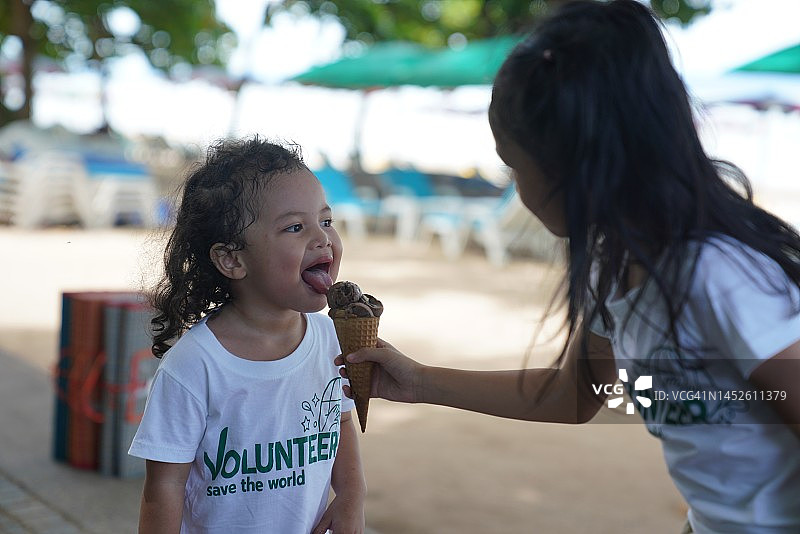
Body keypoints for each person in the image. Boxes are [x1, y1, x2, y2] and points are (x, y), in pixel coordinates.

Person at [337, 1, 800, 532]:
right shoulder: (618, 267)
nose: (518, 186)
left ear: (576, 167)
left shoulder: (719, 276)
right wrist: (419, 381)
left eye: (515, 166)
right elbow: (576, 394)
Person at [129, 138, 366, 534]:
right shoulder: (195, 365)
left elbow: (340, 424)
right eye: (295, 227)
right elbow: (164, 485)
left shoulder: (331, 339)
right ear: (232, 259)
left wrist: (351, 498)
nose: (323, 239)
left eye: (325, 221)